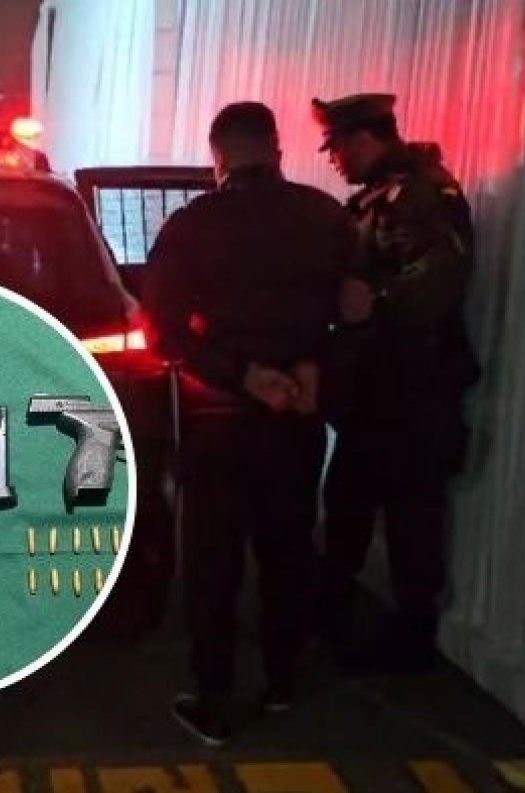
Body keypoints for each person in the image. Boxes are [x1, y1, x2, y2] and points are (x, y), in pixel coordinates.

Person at [142, 102, 354, 746]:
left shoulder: (192, 224)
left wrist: (243, 374)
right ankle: (281, 682)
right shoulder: (326, 215)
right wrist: (312, 367)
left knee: (213, 563)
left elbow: (163, 331)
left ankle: (214, 700)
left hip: (220, 419)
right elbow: (355, 311)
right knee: (287, 550)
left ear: (218, 158)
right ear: (277, 149)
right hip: (297, 417)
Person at [312, 93, 479, 673]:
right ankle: (331, 618)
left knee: (411, 524)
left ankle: (410, 644)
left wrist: (376, 302)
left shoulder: (424, 194)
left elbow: (441, 277)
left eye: (336, 148)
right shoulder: (384, 196)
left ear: (363, 139)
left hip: (411, 392)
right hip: (375, 391)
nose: (334, 161)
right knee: (348, 507)